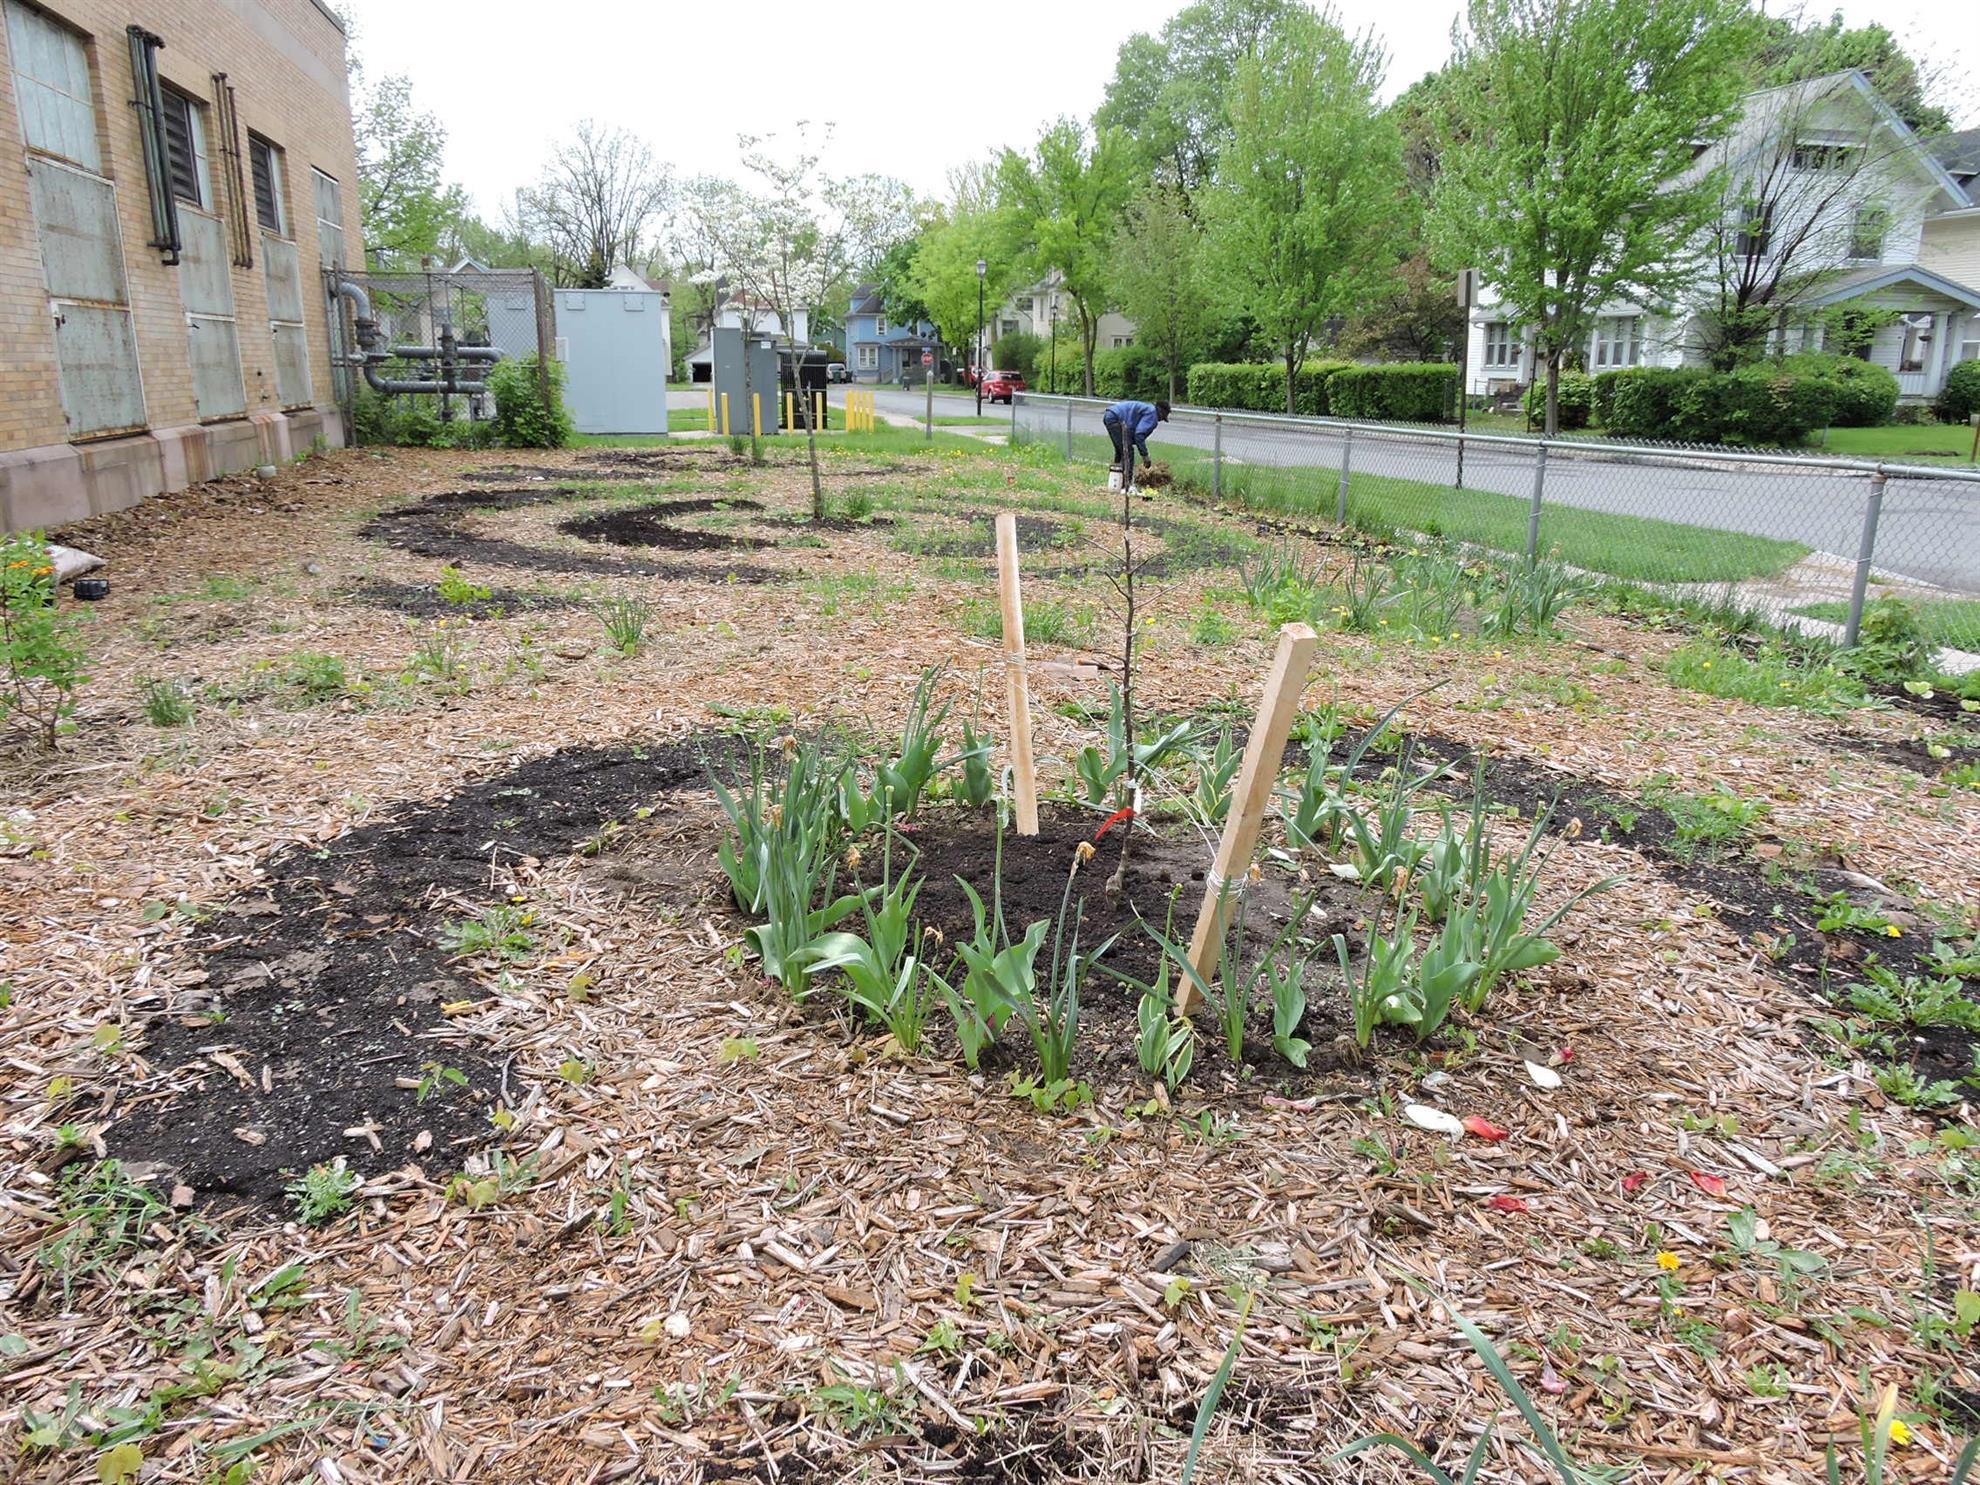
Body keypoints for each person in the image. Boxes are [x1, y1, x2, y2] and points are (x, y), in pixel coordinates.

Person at [1101, 399, 1169, 485]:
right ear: (1161, 412)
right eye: (1163, 418)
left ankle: (1115, 481)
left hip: (1110, 414)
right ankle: (1127, 484)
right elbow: (1139, 435)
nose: (1161, 420)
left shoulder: (1148, 409)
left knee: (1120, 451)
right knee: (1128, 452)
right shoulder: (1152, 414)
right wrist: (1145, 456)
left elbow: (1134, 433)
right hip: (1115, 418)